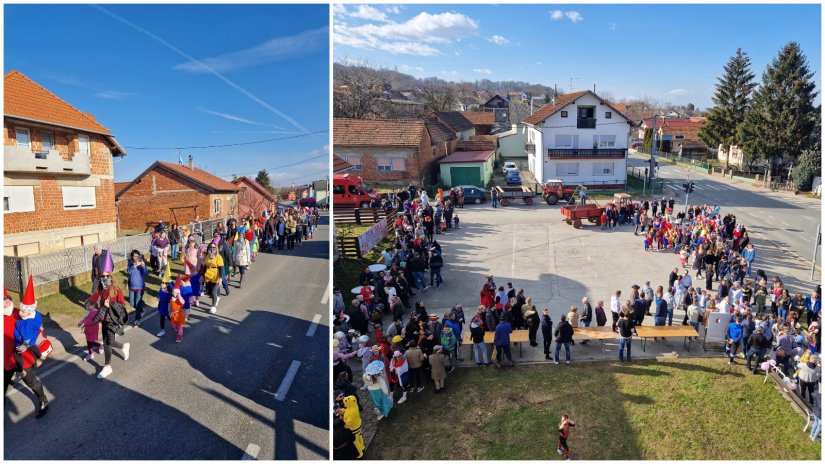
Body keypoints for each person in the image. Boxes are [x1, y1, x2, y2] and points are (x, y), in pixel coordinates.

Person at [4, 289, 49, 417]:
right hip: (5, 361)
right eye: (3, 299)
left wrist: (26, 346)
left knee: (32, 382)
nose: (6, 301)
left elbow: (36, 331)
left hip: (23, 358)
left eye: (7, 297)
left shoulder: (22, 313)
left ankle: (43, 401)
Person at [88, 250, 130, 379]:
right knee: (109, 341)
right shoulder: (101, 288)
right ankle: (124, 346)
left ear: (111, 276)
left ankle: (107, 366)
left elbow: (122, 305)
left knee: (107, 343)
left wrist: (109, 306)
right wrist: (90, 304)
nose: (104, 278)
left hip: (112, 319)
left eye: (107, 276)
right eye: (103, 276)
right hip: (104, 318)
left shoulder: (116, 289)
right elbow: (94, 298)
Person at [127, 250, 149, 327]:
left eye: (137, 256)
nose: (136, 258)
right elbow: (129, 272)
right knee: (131, 303)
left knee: (137, 303)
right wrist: (134, 266)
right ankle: (142, 310)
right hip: (132, 286)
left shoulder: (141, 263)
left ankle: (137, 320)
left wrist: (143, 266)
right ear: (132, 257)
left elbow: (146, 274)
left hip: (140, 287)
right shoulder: (130, 264)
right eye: (134, 256)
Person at [202, 241, 225, 314]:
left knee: (214, 291)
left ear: (216, 248)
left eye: (214, 247)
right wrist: (203, 276)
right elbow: (205, 266)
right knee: (210, 292)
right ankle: (216, 298)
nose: (212, 248)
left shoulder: (218, 257)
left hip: (216, 275)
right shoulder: (207, 256)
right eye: (211, 247)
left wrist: (221, 279)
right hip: (209, 275)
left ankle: (213, 307)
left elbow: (221, 268)